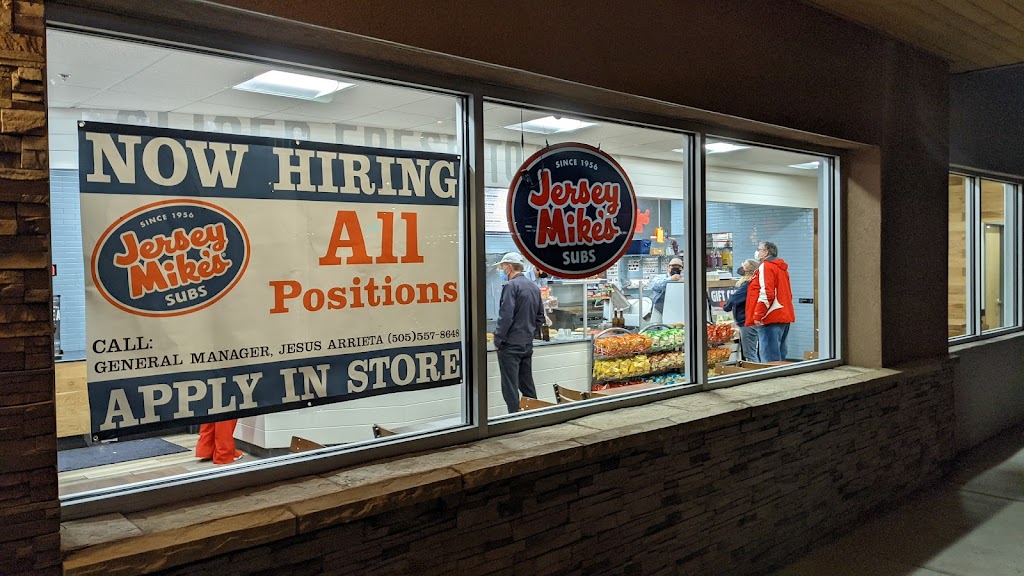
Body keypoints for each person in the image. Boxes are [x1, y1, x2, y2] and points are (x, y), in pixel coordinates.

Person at [494, 252, 545, 413]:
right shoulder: (533, 287)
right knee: (527, 384)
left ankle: (514, 417)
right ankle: (534, 414)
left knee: (510, 386)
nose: (502, 270)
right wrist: (530, 334)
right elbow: (540, 317)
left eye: (502, 267)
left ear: (509, 267)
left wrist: (498, 339)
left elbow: (506, 316)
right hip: (526, 344)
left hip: (510, 345)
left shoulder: (511, 286)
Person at [745, 241, 794, 362]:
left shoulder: (766, 266)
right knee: (779, 358)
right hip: (782, 315)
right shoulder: (781, 268)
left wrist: (758, 314)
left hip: (769, 317)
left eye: (759, 249)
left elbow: (767, 293)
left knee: (770, 361)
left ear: (766, 253)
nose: (757, 251)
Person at [723, 259, 760, 362]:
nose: (741, 268)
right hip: (753, 320)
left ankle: (755, 370)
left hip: (746, 321)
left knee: (750, 353)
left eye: (744, 266)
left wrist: (726, 307)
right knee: (755, 351)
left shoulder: (747, 284)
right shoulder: (756, 282)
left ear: (748, 270)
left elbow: (734, 298)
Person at [648, 257, 683, 324]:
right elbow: (654, 286)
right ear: (668, 267)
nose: (675, 268)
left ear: (682, 269)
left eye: (678, 267)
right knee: (655, 327)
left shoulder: (684, 278)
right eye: (673, 266)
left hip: (678, 309)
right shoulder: (660, 277)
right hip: (659, 309)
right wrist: (670, 279)